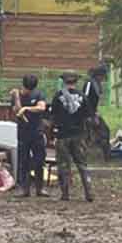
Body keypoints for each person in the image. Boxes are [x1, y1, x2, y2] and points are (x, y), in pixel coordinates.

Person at [50, 72, 93, 202]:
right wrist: (88, 135)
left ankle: (65, 194)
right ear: (76, 82)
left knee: (63, 165)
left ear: (64, 82)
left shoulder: (58, 96)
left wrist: (53, 133)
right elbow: (89, 118)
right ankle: (88, 193)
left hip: (63, 135)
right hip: (79, 135)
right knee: (82, 164)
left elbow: (53, 117)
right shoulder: (83, 97)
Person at [10, 74, 48, 197]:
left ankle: (39, 188)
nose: (28, 92)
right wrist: (16, 97)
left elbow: (41, 107)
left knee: (39, 161)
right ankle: (24, 189)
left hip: (37, 132)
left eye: (30, 90)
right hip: (23, 133)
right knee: (23, 161)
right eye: (27, 89)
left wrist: (27, 108)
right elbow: (16, 110)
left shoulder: (38, 95)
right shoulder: (17, 95)